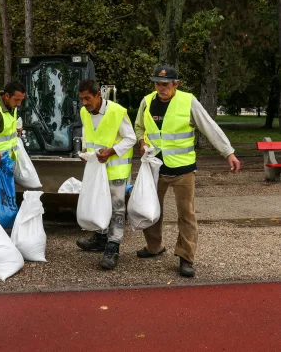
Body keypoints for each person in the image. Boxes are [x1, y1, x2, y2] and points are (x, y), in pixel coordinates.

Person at [134, 65, 241, 277]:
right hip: (154, 167)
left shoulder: (188, 101)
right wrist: (141, 141)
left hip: (183, 169)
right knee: (149, 209)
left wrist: (228, 152)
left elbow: (209, 126)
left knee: (186, 214)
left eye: (165, 84)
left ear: (176, 84)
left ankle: (186, 257)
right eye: (157, 83)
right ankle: (154, 247)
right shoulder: (146, 102)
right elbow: (139, 126)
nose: (161, 88)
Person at [75, 80, 136, 270]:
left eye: (88, 98)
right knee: (98, 202)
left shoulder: (117, 111)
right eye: (82, 99)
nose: (85, 103)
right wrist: (85, 150)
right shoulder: (85, 112)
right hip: (96, 168)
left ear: (98, 96)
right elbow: (89, 132)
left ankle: (113, 246)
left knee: (117, 208)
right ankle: (101, 238)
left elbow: (131, 138)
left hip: (115, 168)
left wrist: (111, 151)